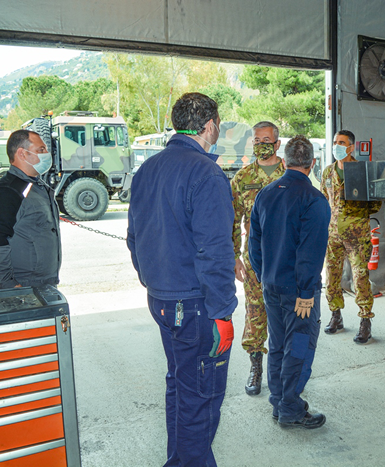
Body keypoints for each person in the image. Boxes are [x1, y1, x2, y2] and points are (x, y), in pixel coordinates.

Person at [127, 92, 237, 466]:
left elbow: (134, 237)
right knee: (200, 397)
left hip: (162, 300)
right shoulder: (206, 173)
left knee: (180, 386)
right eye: (218, 123)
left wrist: (153, 281)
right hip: (195, 307)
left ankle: (178, 460)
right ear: (209, 126)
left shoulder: (148, 169)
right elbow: (216, 252)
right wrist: (222, 313)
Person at [249, 135, 330, 429]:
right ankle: (290, 408)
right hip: (299, 293)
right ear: (312, 163)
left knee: (279, 345)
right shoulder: (314, 200)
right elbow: (310, 254)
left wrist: (264, 275)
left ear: (284, 162)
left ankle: (278, 402)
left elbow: (253, 246)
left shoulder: (265, 194)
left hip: (271, 285)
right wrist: (307, 293)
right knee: (299, 347)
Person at [232, 121, 285, 396]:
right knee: (255, 311)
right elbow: (232, 220)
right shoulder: (242, 178)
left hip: (285, 259)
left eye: (266, 139)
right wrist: (234, 257)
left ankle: (286, 370)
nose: (260, 144)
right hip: (254, 260)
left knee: (286, 312)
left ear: (277, 143)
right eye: (256, 140)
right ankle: (256, 367)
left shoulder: (291, 175)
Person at [321, 130, 381, 344]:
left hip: (357, 236)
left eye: (342, 142)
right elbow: (322, 201)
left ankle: (365, 321)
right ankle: (335, 315)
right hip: (332, 236)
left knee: (360, 279)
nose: (337, 145)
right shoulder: (328, 173)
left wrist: (359, 202)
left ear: (351, 147)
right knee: (331, 278)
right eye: (335, 142)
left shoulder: (363, 171)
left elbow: (376, 203)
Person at [0, 129, 61, 290]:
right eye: (41, 150)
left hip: (43, 284)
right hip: (21, 287)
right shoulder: (7, 191)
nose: (46, 154)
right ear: (22, 154)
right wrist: (7, 284)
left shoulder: (36, 186)